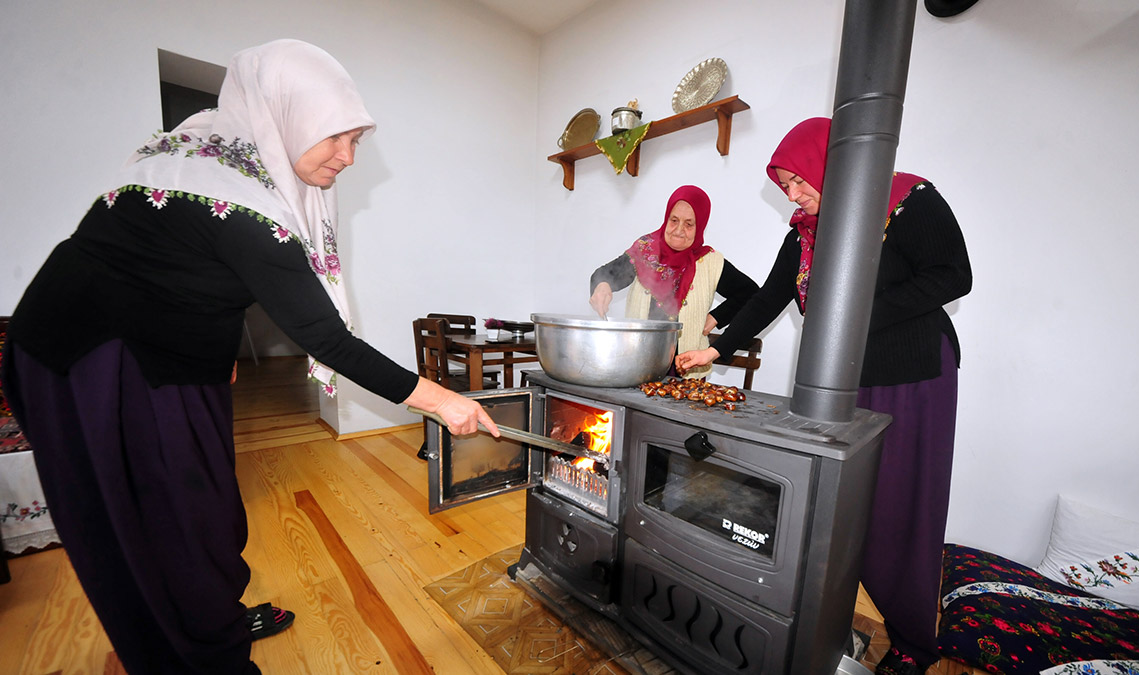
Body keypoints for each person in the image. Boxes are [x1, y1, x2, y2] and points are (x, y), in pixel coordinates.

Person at [0, 39, 498, 675]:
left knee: (203, 512)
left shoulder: (209, 151)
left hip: (161, 350)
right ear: (285, 116)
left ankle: (207, 621)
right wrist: (445, 401)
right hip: (94, 361)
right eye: (334, 138)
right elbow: (328, 339)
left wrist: (218, 346)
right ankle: (199, 656)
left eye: (356, 142)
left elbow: (185, 266)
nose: (347, 159)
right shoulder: (245, 202)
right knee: (160, 527)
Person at [675, 117, 972, 675]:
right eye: (783, 184)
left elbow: (953, 275)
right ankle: (824, 620)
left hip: (912, 374)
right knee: (834, 504)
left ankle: (912, 644)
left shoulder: (906, 199)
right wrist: (715, 350)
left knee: (901, 505)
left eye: (796, 180)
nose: (792, 193)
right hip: (840, 376)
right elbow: (768, 298)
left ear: (829, 159)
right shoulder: (804, 234)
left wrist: (853, 318)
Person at [588, 185, 759, 379]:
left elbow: (750, 293)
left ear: (700, 225)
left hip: (686, 371)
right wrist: (602, 286)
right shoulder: (644, 251)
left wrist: (716, 317)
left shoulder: (710, 262)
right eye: (674, 220)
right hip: (637, 365)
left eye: (689, 224)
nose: (679, 230)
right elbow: (605, 274)